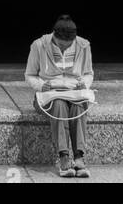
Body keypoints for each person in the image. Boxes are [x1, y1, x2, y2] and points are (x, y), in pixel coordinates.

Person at [25, 14, 94, 178]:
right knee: (59, 104)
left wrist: (84, 83)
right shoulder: (39, 45)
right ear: (53, 37)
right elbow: (30, 75)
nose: (63, 49)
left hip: (74, 93)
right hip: (48, 96)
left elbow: (88, 73)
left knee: (77, 105)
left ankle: (79, 156)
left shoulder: (83, 46)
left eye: (67, 46)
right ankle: (63, 155)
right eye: (60, 46)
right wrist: (43, 85)